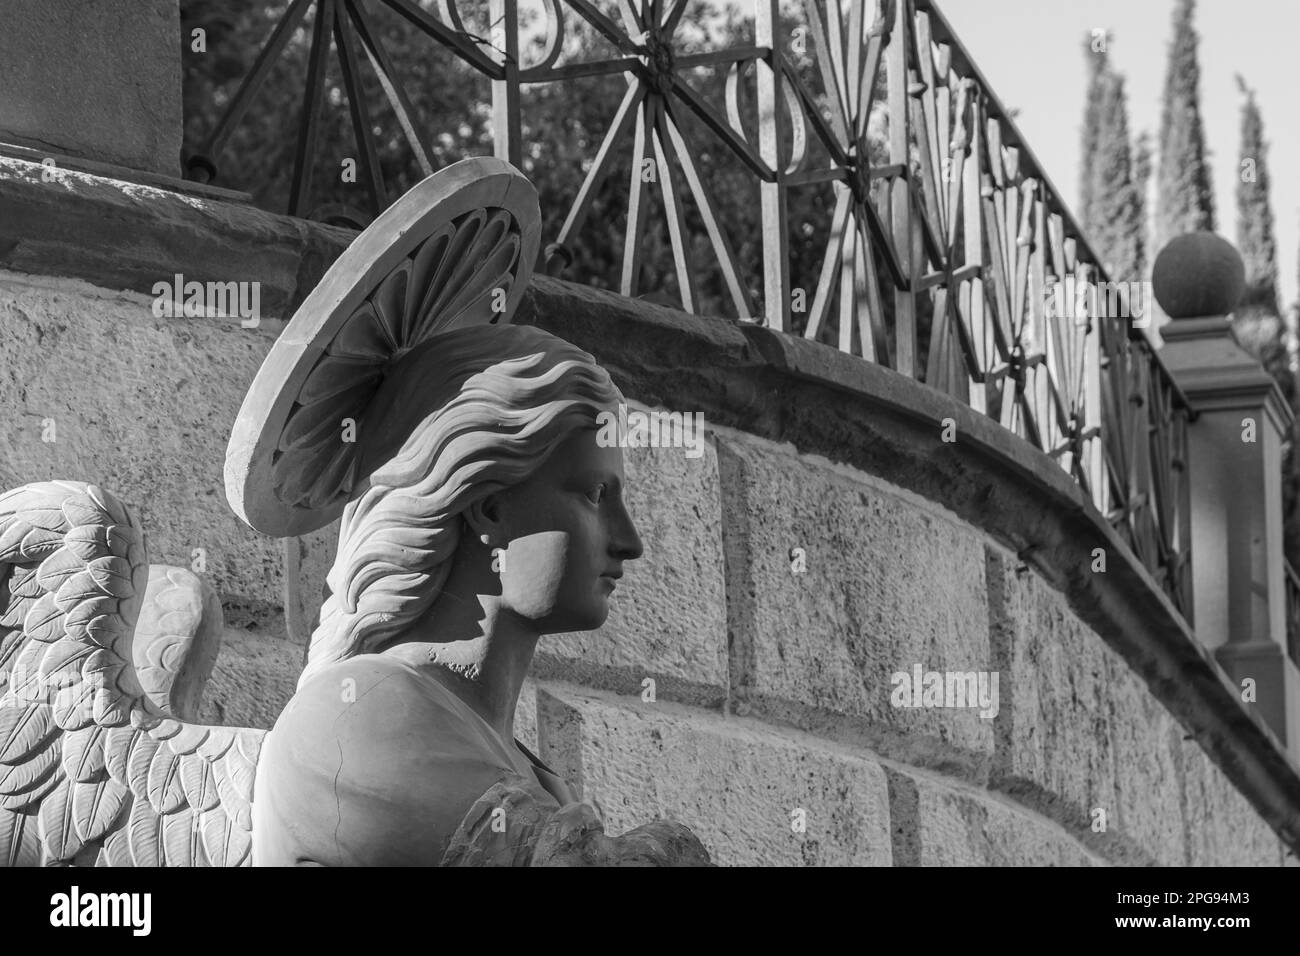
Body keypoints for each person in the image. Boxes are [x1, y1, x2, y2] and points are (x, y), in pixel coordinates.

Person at [251, 324, 710, 865]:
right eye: (594, 495)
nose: (629, 542)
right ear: (488, 507)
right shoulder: (359, 710)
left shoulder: (528, 774)